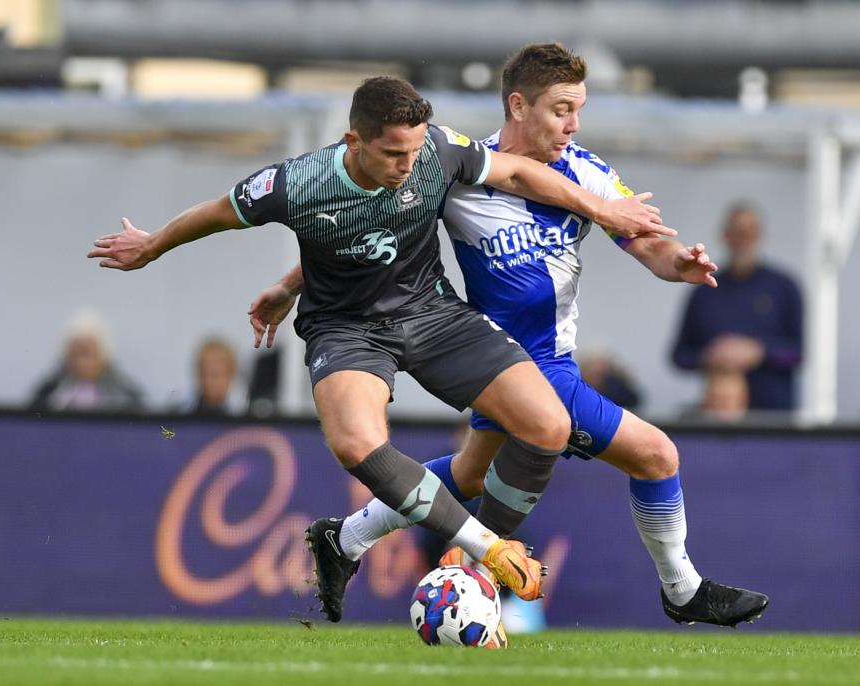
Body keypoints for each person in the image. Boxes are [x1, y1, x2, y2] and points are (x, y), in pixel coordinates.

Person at [87, 76, 672, 623]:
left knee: (547, 424)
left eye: (415, 152)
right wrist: (153, 246)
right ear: (354, 141)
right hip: (346, 329)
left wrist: (601, 208)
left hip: (432, 313)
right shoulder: (297, 182)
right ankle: (487, 556)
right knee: (357, 443)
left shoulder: (437, 151)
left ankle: (384, 550)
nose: (408, 166)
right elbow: (220, 211)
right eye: (394, 154)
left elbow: (517, 174)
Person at [249, 45, 768, 633]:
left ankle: (345, 540)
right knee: (656, 456)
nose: (573, 125)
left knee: (469, 476)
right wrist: (292, 285)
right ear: (518, 105)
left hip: (526, 365)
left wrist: (681, 261)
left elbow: (646, 243)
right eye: (561, 110)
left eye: (579, 110)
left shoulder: (586, 172)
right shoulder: (457, 168)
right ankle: (680, 589)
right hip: (511, 361)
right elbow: (372, 231)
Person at [672, 203, 803, 411]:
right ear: (725, 235)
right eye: (737, 233)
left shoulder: (783, 288)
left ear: (760, 236)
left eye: (749, 233)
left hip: (773, 417)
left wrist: (759, 352)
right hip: (719, 414)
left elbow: (800, 352)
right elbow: (680, 355)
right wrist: (710, 355)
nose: (743, 241)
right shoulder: (705, 290)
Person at [29, 310, 143, 413]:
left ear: (103, 356)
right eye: (77, 354)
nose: (82, 363)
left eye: (88, 354)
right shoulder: (48, 392)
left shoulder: (124, 394)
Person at [178, 336, 248, 416]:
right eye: (203, 374)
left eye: (215, 375)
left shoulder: (243, 416)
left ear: (230, 375)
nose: (207, 381)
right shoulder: (180, 414)